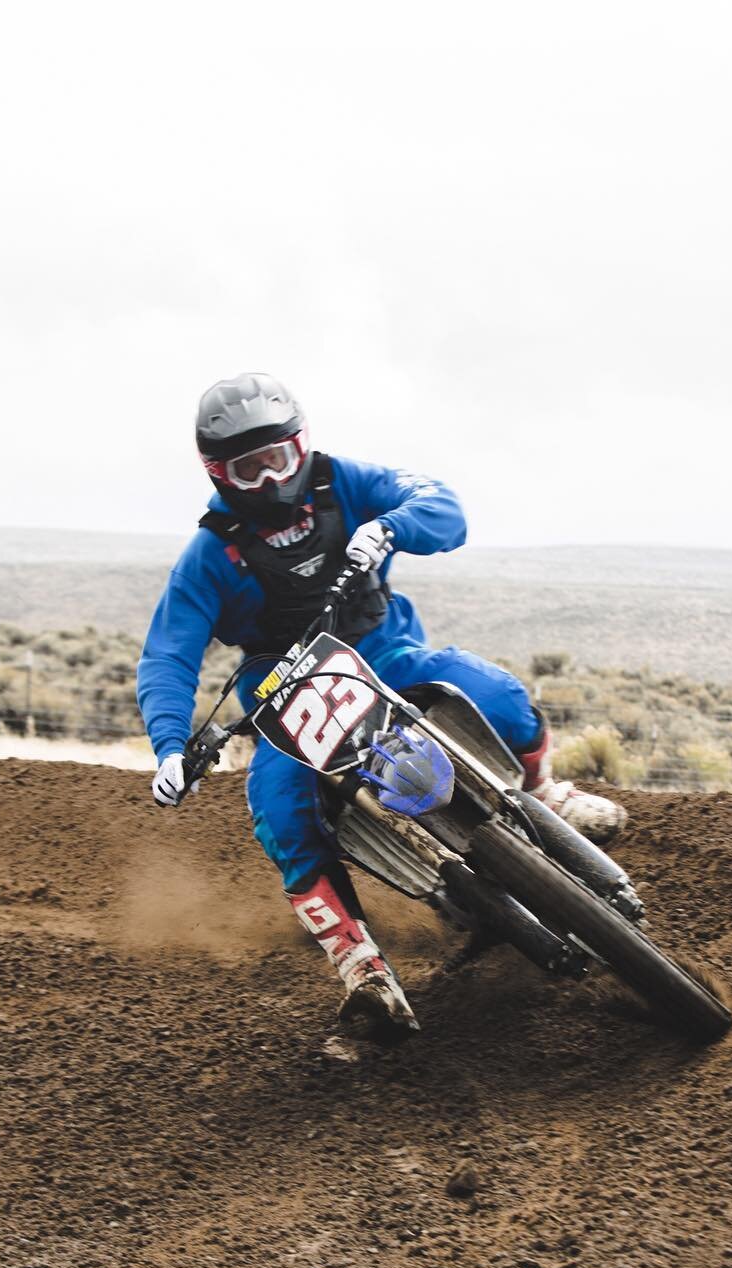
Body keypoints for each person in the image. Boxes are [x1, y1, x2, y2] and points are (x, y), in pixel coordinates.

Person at [137, 372, 626, 1039]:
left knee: (497, 695)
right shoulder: (210, 555)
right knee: (280, 811)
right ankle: (359, 963)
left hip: (387, 656)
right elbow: (168, 653)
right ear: (219, 474)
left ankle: (546, 792)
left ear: (301, 444)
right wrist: (169, 744)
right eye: (247, 469)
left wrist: (394, 526)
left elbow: (444, 508)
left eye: (277, 458)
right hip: (288, 704)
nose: (268, 479)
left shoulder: (345, 483)